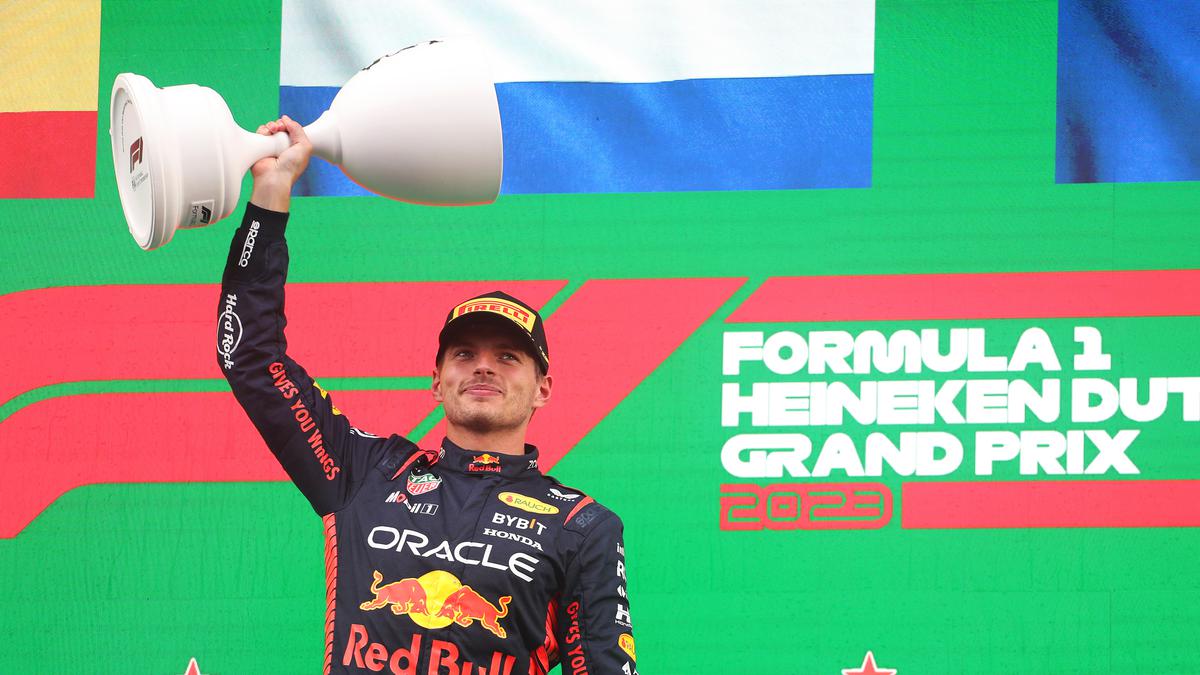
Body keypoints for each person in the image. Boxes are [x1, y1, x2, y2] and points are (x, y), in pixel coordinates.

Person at [218, 116, 638, 675]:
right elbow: (249, 356)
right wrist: (270, 196)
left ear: (543, 389)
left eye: (507, 357)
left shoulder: (581, 526)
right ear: (436, 381)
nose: (483, 366)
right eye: (463, 354)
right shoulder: (366, 471)